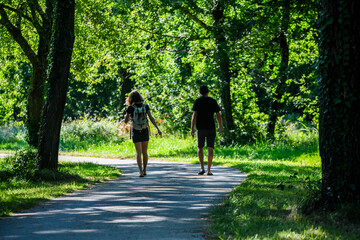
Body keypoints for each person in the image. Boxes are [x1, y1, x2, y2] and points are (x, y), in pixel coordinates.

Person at [124, 90, 162, 177]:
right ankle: (145, 170)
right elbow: (151, 118)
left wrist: (129, 118)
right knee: (145, 152)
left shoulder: (130, 108)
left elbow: (125, 121)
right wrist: (157, 128)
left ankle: (140, 172)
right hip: (145, 130)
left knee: (138, 152)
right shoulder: (145, 106)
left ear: (131, 98)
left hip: (136, 130)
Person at [191, 85, 222, 175]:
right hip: (211, 127)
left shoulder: (198, 101)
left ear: (200, 92)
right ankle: (209, 170)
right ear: (208, 91)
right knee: (210, 148)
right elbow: (218, 115)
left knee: (200, 148)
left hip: (200, 128)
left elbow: (194, 116)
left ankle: (202, 168)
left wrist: (192, 128)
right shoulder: (213, 101)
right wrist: (220, 126)